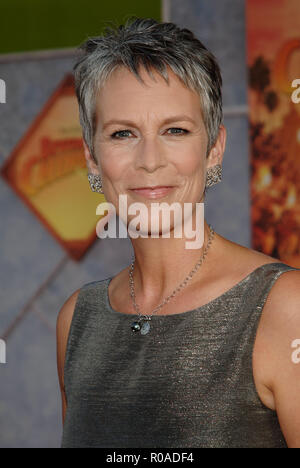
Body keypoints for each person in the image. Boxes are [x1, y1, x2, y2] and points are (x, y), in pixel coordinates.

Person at [56, 17, 300, 448]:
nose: (150, 160)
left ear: (214, 149)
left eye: (175, 130)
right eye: (123, 133)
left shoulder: (284, 307)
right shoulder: (78, 319)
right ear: (93, 158)